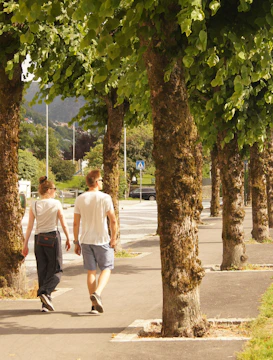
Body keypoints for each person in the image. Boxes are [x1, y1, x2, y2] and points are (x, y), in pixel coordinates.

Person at [22, 176, 71, 312]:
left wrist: (25, 244)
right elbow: (63, 222)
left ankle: (45, 303)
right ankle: (45, 291)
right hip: (52, 237)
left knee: (42, 270)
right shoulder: (56, 204)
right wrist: (68, 238)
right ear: (49, 190)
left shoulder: (34, 204)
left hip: (39, 239)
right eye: (54, 189)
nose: (55, 191)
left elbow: (30, 226)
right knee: (56, 269)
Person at [73, 169, 117, 314]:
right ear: (97, 182)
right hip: (102, 239)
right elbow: (113, 220)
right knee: (107, 268)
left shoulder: (80, 198)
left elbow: (75, 223)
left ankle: (93, 306)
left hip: (86, 240)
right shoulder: (105, 198)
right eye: (101, 180)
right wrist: (113, 238)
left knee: (91, 271)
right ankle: (97, 293)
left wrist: (76, 241)